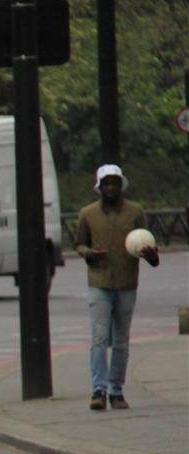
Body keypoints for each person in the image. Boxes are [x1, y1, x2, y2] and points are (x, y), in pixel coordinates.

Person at [74, 164, 160, 411]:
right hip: (99, 283)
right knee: (99, 338)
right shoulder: (87, 214)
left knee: (121, 340)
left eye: (115, 183)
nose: (111, 187)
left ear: (121, 185)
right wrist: (90, 253)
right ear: (99, 187)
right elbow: (79, 244)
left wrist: (151, 256)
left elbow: (149, 249)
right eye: (106, 183)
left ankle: (116, 390)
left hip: (126, 283)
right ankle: (98, 390)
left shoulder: (135, 212)